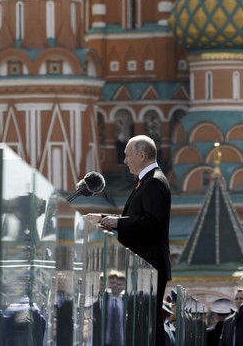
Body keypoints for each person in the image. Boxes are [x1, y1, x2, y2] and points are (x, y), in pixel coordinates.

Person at [85, 135, 171, 346]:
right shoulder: (147, 181)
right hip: (142, 267)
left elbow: (153, 224)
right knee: (142, 324)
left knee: (148, 324)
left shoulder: (154, 182)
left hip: (148, 266)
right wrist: (110, 221)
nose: (124, 160)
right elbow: (140, 219)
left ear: (141, 155)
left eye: (127, 155)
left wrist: (114, 222)